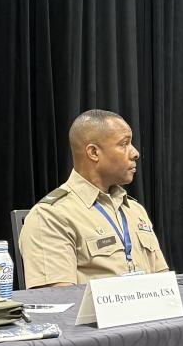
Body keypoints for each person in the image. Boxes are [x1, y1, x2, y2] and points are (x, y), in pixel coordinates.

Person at [19, 109, 168, 287]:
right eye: (124, 144)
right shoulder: (50, 216)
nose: (135, 152)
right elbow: (57, 299)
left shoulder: (135, 210)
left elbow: (165, 283)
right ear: (94, 152)